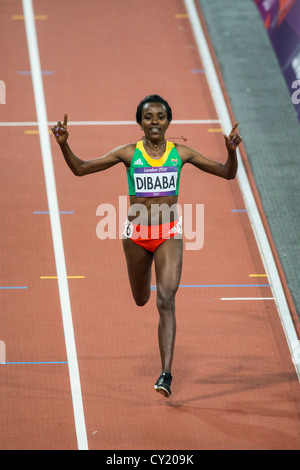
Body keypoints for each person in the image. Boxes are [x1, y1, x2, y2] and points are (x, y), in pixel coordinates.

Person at [51, 94, 242, 398]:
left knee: (166, 299)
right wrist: (63, 145)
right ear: (140, 122)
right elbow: (81, 169)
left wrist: (231, 152)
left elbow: (227, 172)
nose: (155, 122)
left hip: (169, 232)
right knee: (142, 299)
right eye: (149, 117)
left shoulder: (182, 153)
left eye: (161, 116)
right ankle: (147, 293)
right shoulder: (129, 153)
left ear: (169, 121)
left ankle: (165, 374)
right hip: (135, 236)